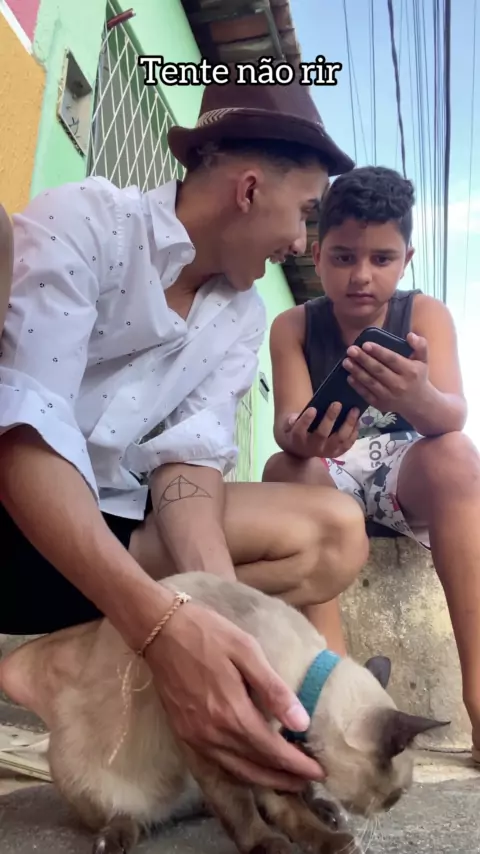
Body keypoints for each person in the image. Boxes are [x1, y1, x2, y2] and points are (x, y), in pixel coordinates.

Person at [0, 81, 368, 790]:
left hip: (109, 537)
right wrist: (159, 621)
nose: (302, 242)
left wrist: (225, 619)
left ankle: (67, 661)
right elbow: (25, 434)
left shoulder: (241, 315)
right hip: (18, 511)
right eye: (304, 213)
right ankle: (126, 636)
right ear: (249, 190)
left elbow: (188, 465)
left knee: (333, 533)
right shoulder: (87, 221)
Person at [264, 164, 480, 765]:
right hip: (326, 477)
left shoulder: (424, 315)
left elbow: (451, 417)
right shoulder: (294, 326)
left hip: (404, 473)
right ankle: (338, 696)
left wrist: (417, 396)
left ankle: (479, 696)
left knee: (459, 456)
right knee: (284, 470)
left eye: (381, 259)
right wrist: (305, 437)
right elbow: (287, 427)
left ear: (405, 260)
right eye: (343, 257)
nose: (361, 275)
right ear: (317, 255)